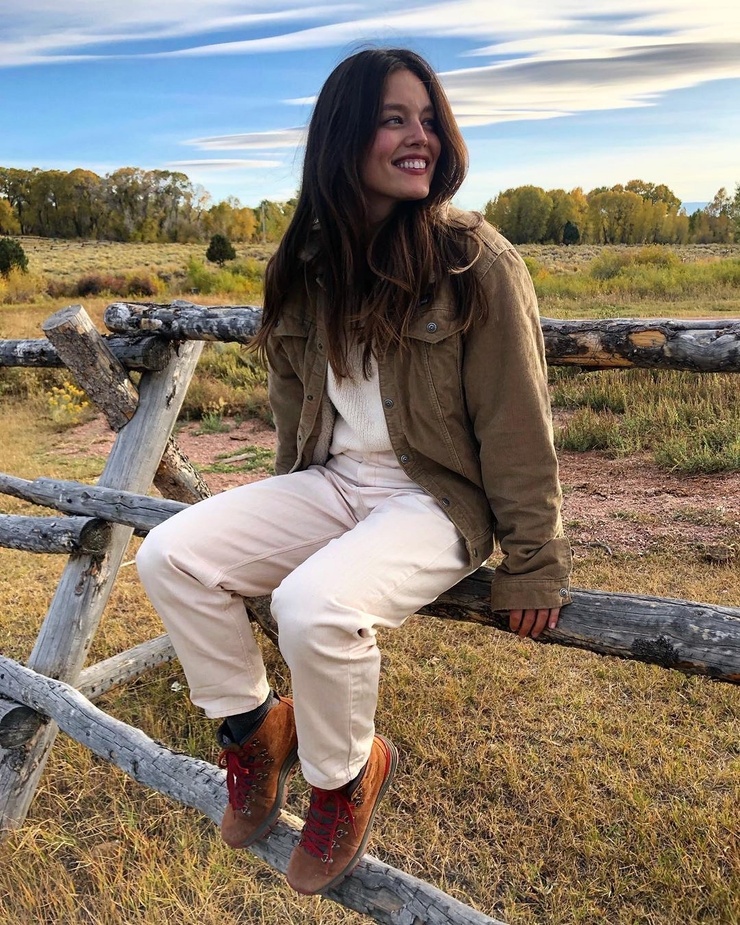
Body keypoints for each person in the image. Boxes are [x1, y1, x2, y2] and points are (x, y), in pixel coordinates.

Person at [136, 46, 572, 896]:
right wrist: (277, 517)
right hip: (332, 481)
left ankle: (346, 774)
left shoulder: (475, 261)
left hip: (436, 498)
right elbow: (294, 409)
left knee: (312, 606)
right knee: (170, 556)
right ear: (343, 137)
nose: (421, 138)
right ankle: (257, 732)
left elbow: (518, 422)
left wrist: (535, 559)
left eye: (429, 120)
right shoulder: (306, 264)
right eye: (393, 119)